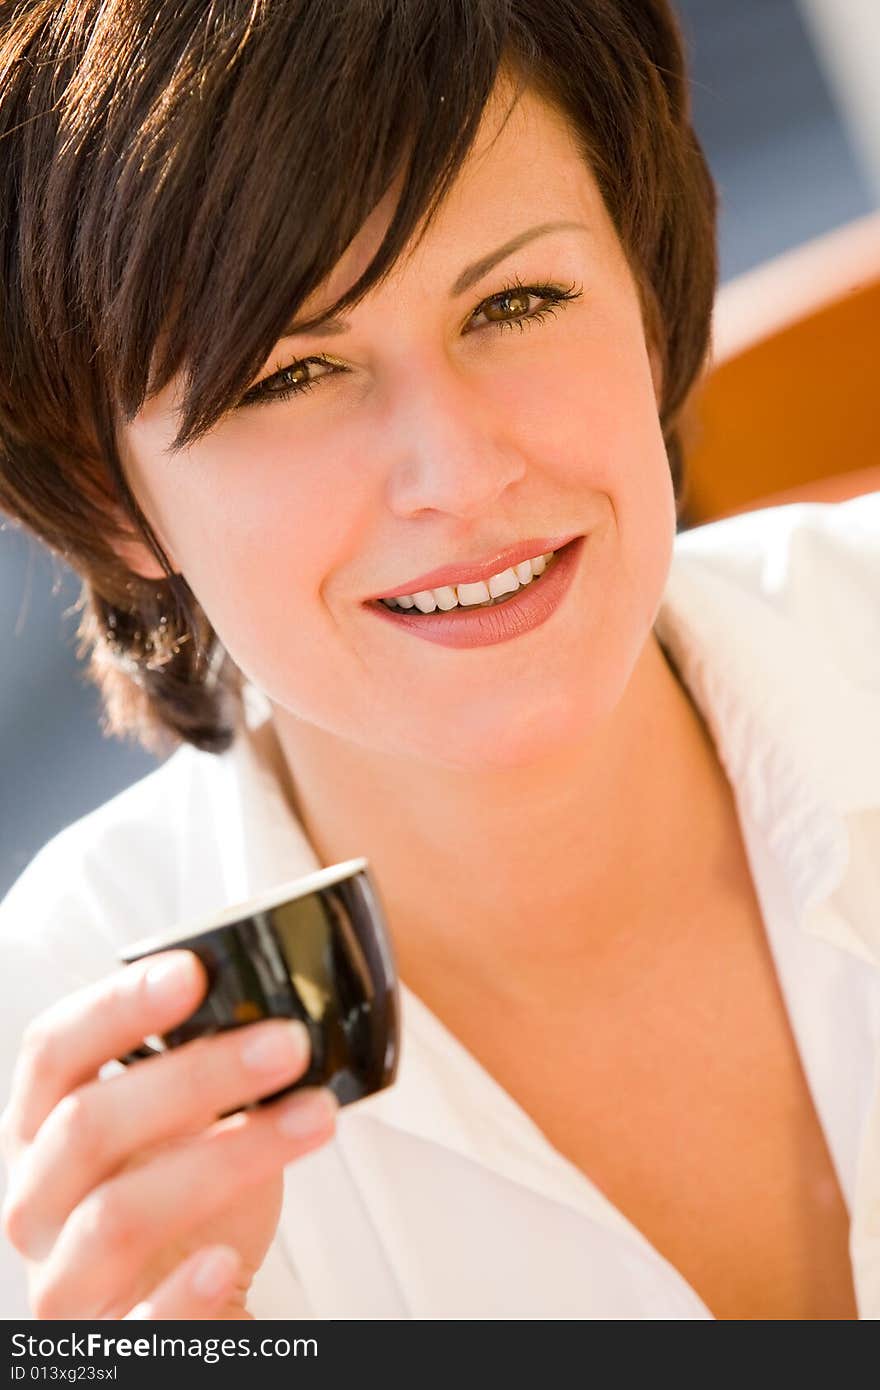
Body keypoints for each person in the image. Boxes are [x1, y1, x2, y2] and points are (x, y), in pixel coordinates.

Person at [1, 0, 878, 1321]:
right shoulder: (55, 1086)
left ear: (643, 298)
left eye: (516, 301)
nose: (461, 475)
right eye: (288, 376)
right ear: (113, 493)